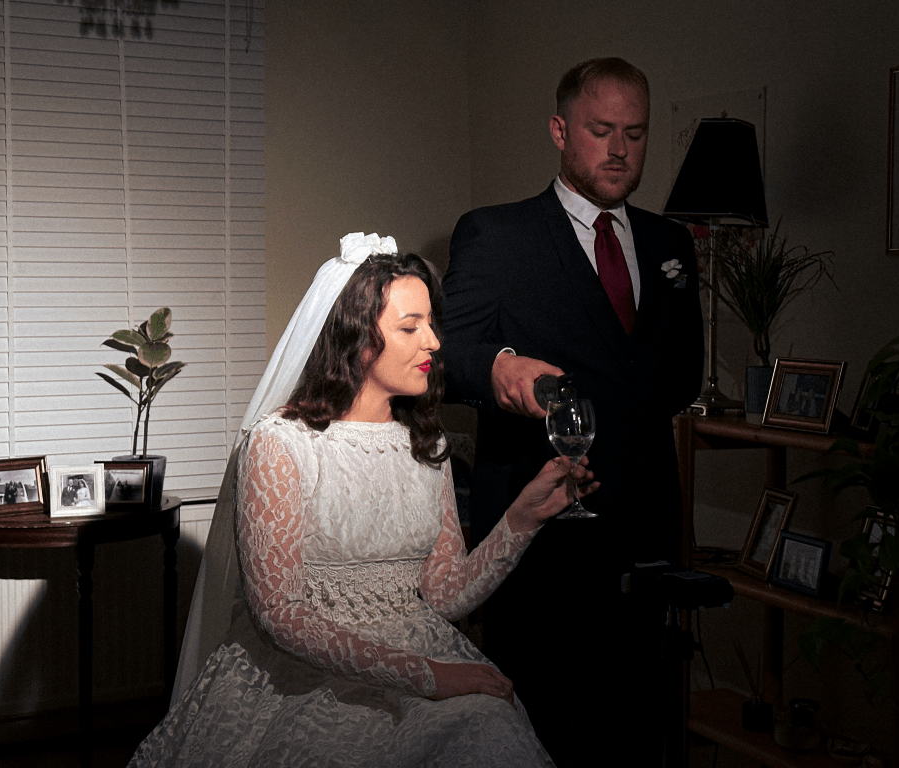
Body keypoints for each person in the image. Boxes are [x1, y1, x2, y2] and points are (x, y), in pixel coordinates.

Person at [127, 233, 597, 768]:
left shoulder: (429, 443)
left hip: (425, 658)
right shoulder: (281, 444)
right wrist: (429, 675)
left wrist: (522, 519)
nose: (434, 343)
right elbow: (278, 614)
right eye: (409, 327)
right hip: (300, 677)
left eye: (430, 324)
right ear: (356, 337)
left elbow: (443, 595)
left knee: (488, 734)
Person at [441, 57, 704, 765]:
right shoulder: (496, 237)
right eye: (600, 130)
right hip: (541, 543)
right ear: (560, 130)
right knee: (542, 736)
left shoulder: (672, 245)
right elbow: (443, 357)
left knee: (641, 730)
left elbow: (682, 375)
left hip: (646, 529)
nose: (619, 150)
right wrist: (499, 369)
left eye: (636, 133)